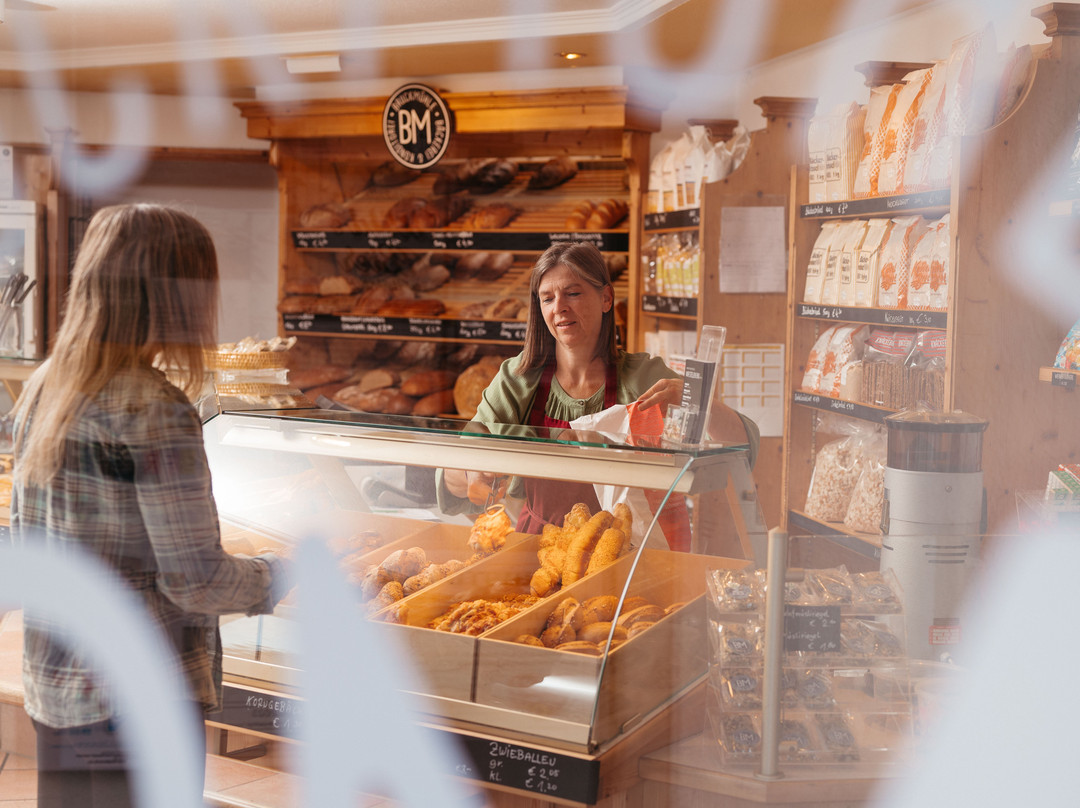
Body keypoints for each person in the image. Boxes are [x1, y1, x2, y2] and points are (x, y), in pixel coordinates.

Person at [10, 204, 293, 808]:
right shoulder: (154, 407)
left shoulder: (43, 386)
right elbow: (195, 582)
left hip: (58, 689)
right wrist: (281, 572)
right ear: (174, 293)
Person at [441, 241, 759, 542]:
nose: (559, 308)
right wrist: (472, 474)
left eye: (573, 293)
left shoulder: (644, 378)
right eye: (547, 298)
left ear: (606, 298)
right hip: (537, 549)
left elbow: (744, 445)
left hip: (627, 550)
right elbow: (458, 463)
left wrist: (692, 397)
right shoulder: (518, 379)